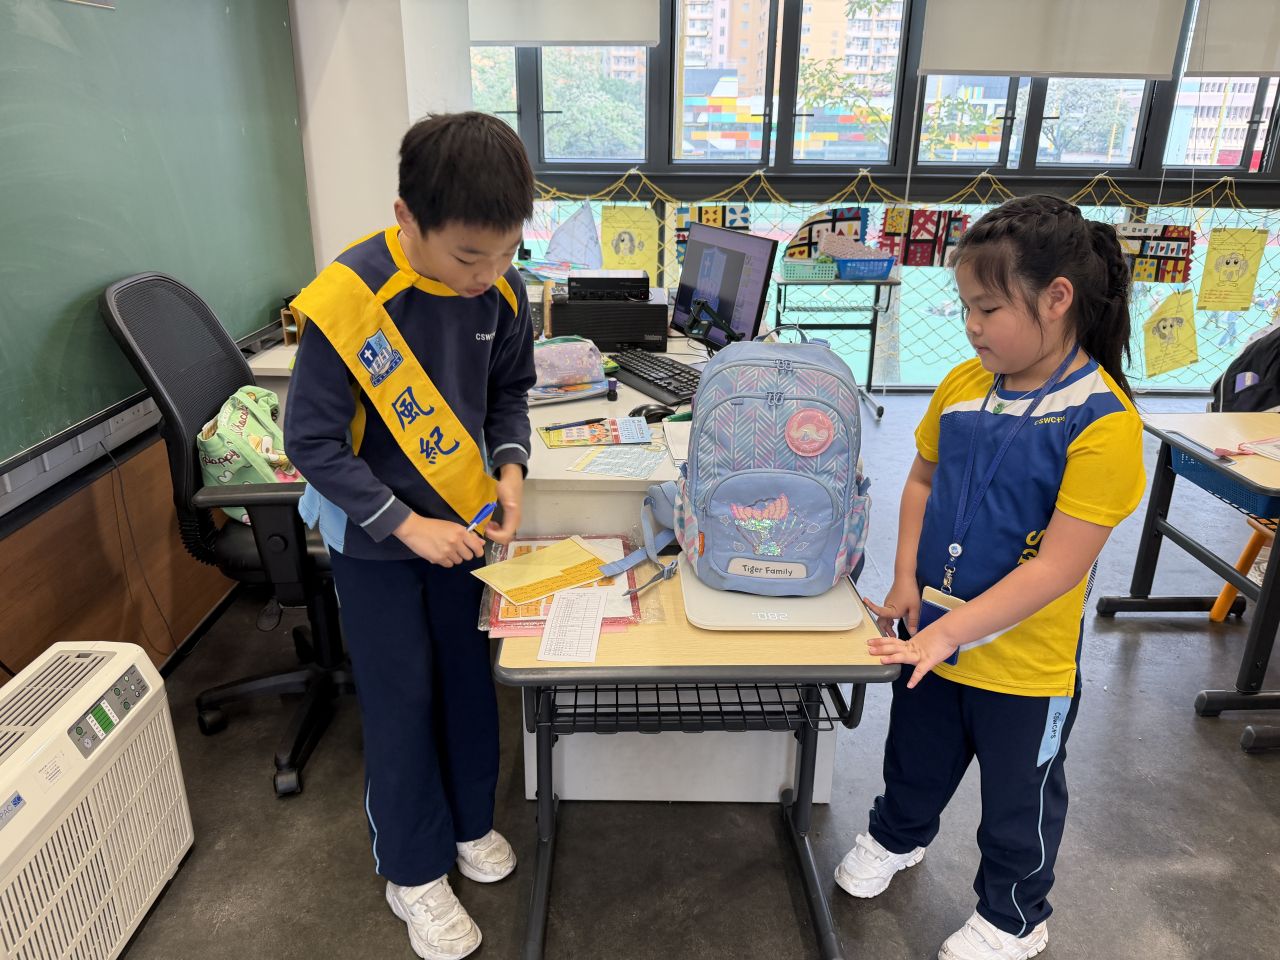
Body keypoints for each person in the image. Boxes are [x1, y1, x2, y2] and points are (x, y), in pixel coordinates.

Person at [834, 195, 1146, 960]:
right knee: (914, 759)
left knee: (1019, 800)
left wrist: (948, 634)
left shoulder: (1103, 421)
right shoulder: (963, 385)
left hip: (1024, 668)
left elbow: (1059, 566)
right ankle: (897, 836)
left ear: (1057, 298)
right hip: (930, 638)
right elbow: (920, 480)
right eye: (967, 307)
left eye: (988, 308)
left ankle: (1014, 916)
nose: (972, 326)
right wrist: (905, 582)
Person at [284, 112, 536, 960]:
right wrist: (405, 525)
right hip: (375, 542)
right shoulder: (350, 299)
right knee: (400, 700)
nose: (487, 274)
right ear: (406, 218)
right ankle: (414, 871)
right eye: (468, 257)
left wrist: (510, 469)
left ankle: (468, 823)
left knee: (467, 682)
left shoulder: (501, 289)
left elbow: (508, 393)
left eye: (505, 253)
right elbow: (310, 442)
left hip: (463, 533)